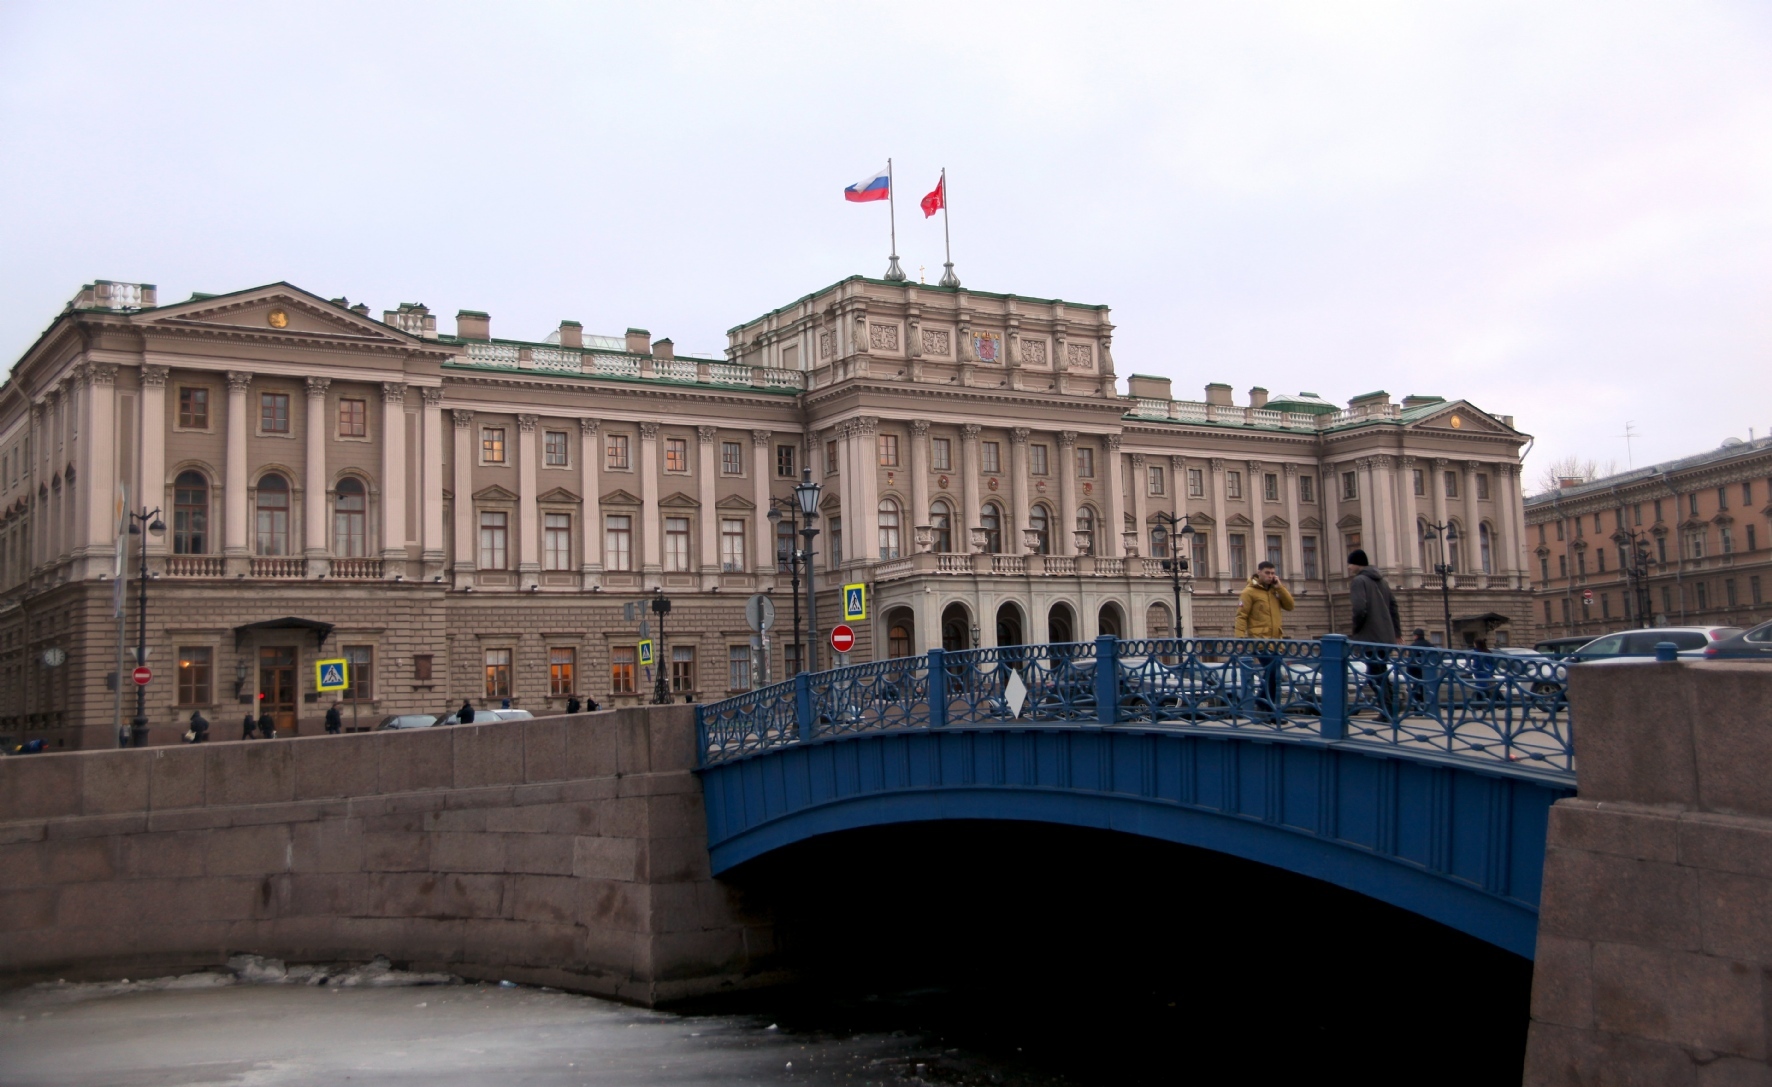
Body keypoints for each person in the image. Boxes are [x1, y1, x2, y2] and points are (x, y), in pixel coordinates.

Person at [1234, 560, 1295, 714]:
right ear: (1259, 572)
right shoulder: (1249, 592)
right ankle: (1264, 705)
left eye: (1273, 573)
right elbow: (1241, 616)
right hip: (1259, 641)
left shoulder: (1275, 591)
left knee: (1274, 676)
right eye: (1267, 573)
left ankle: (1268, 709)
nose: (1270, 576)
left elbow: (1290, 606)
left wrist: (1279, 587)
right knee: (1273, 672)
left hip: (1276, 641)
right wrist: (1239, 639)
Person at [1346, 549, 1401, 715]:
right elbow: (1394, 607)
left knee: (1374, 675)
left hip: (1370, 637)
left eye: (1350, 563)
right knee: (1381, 672)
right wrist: (1397, 633)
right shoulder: (1382, 581)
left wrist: (1356, 628)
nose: (1348, 567)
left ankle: (1387, 711)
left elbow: (1359, 608)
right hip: (1386, 637)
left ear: (1357, 564)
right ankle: (1391, 709)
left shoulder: (1359, 581)